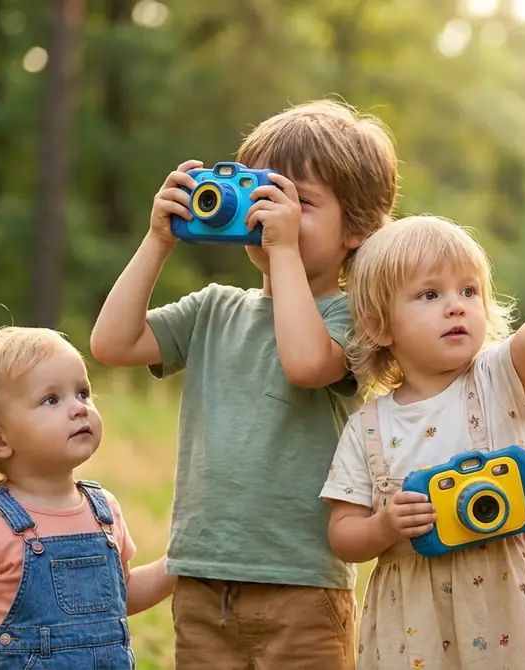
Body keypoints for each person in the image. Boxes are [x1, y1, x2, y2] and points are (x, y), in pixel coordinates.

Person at [89, 100, 399, 669]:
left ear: (357, 228)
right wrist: (159, 240)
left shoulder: (354, 316)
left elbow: (306, 364)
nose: (269, 214)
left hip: (302, 584)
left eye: (298, 202)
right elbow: (112, 343)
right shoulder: (213, 309)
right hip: (203, 581)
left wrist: (282, 250)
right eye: (260, 192)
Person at [321, 215, 525, 669]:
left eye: (469, 291)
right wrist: (384, 527)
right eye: (430, 294)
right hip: (415, 625)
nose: (456, 306)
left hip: (501, 603)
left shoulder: (495, 382)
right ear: (378, 326)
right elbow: (343, 535)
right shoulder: (367, 427)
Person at [0, 327, 175, 670]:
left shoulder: (104, 511)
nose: (79, 408)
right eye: (51, 399)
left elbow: (123, 594)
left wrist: (177, 563)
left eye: (82, 393)